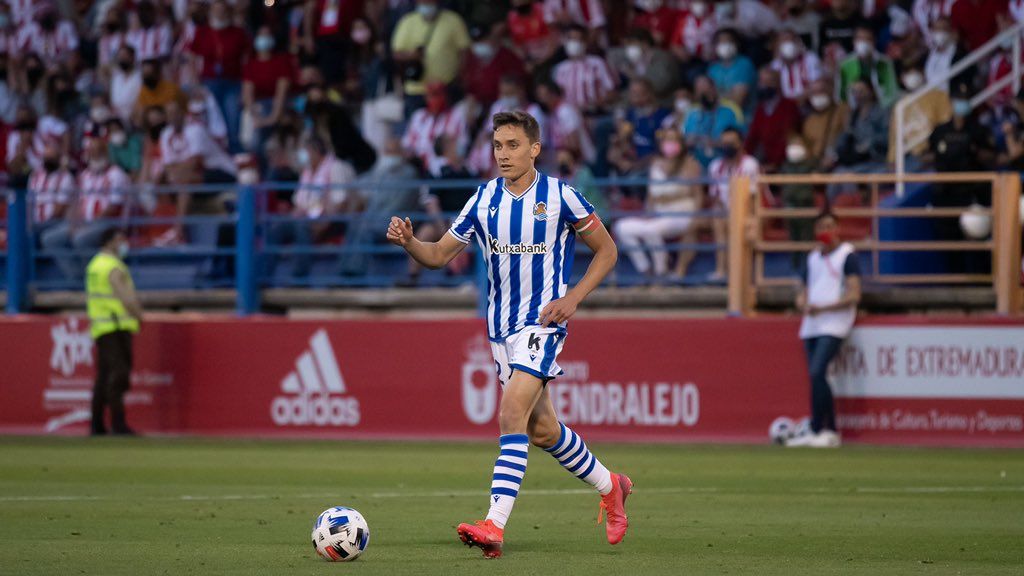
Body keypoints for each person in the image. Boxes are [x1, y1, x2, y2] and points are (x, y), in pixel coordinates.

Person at [386, 110, 631, 558]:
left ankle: (494, 525)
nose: (503, 154)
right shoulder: (482, 200)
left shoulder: (561, 196)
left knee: (510, 413)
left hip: (543, 323)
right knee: (542, 430)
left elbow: (607, 251)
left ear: (535, 149)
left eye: (513, 145)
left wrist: (573, 298)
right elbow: (439, 254)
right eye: (498, 145)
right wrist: (409, 243)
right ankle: (610, 485)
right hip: (500, 331)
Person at [788, 211, 861, 448]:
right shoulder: (813, 258)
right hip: (812, 323)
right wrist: (803, 303)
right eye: (820, 226)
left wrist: (826, 307)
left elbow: (854, 294)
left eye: (829, 226)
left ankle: (831, 430)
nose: (825, 231)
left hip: (835, 322)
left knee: (818, 370)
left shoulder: (846, 255)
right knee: (814, 376)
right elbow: (803, 291)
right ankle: (817, 427)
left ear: (837, 228)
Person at [614, 128, 703, 281]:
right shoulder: (655, 164)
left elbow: (698, 195)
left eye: (674, 140)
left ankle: (661, 272)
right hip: (658, 216)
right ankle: (646, 271)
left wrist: (696, 217)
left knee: (650, 230)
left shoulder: (690, 164)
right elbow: (650, 196)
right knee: (622, 228)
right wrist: (647, 213)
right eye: (667, 140)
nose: (670, 144)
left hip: (682, 215)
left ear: (681, 143)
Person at [86, 227, 143, 436]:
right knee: (118, 375)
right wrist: (138, 314)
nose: (123, 243)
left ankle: (97, 424)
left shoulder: (94, 265)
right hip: (116, 325)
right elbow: (124, 295)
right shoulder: (113, 266)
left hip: (100, 326)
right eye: (120, 239)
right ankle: (118, 423)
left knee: (103, 376)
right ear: (110, 241)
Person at [707, 127, 760, 280]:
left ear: (740, 144)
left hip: (747, 210)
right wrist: (724, 210)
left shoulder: (750, 164)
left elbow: (753, 198)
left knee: (733, 221)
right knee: (717, 219)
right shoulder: (715, 166)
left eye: (731, 143)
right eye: (724, 143)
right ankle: (721, 269)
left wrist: (737, 213)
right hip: (724, 211)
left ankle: (734, 271)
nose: (727, 146)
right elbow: (715, 197)